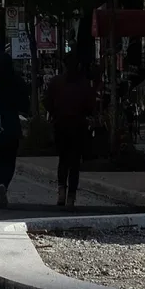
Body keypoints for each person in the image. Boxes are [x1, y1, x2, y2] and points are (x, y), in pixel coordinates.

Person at [44, 59, 98, 208]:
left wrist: (55, 112)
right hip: (78, 126)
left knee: (63, 160)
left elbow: (47, 101)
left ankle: (61, 191)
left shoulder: (56, 82)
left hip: (60, 125)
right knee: (74, 163)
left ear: (64, 66)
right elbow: (90, 106)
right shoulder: (84, 85)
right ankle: (71, 196)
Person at [0, 58, 29, 207]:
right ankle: (5, 183)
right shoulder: (17, 81)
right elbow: (25, 104)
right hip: (12, 127)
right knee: (10, 160)